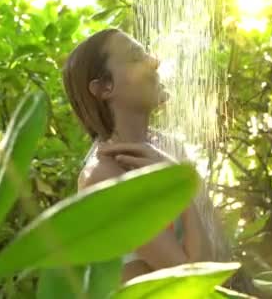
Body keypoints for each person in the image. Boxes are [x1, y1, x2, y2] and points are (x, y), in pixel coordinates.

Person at [62, 28, 215, 282]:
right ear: (104, 88)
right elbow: (194, 279)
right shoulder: (103, 178)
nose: (155, 62)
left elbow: (215, 246)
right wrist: (179, 183)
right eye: (136, 57)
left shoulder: (168, 147)